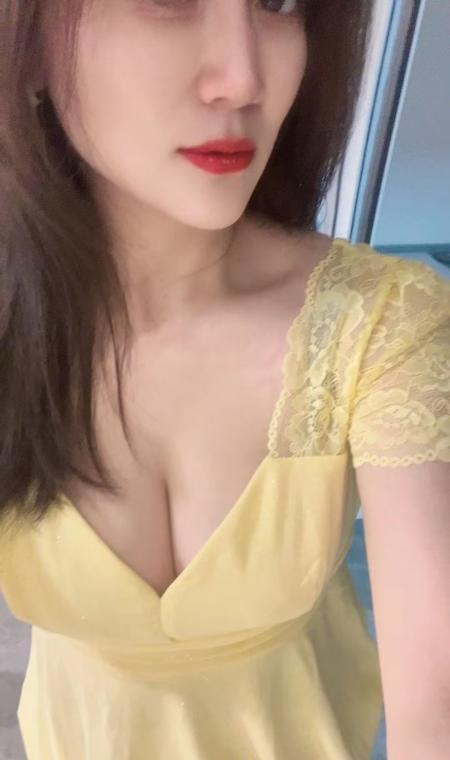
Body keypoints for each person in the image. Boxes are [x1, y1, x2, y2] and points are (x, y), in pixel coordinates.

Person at [1, 1, 449, 758]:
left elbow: (434, 705)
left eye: (277, 1)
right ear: (29, 44)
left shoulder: (381, 323)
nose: (244, 79)